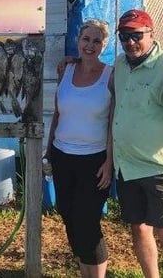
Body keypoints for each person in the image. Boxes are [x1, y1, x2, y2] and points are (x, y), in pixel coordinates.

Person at [112, 9, 163, 277]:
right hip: (126, 166)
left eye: (136, 35)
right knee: (138, 228)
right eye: (124, 36)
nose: (130, 42)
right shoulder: (120, 64)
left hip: (160, 167)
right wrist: (71, 62)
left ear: (151, 33)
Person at [46, 19, 114, 278]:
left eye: (97, 41)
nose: (90, 45)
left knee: (87, 222)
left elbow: (112, 123)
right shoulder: (65, 69)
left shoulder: (111, 76)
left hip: (94, 160)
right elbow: (57, 114)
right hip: (63, 156)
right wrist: (49, 149)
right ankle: (88, 272)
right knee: (68, 216)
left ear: (104, 45)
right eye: (86, 39)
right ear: (78, 40)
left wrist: (109, 161)